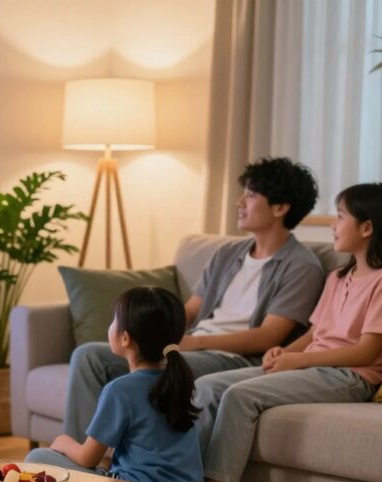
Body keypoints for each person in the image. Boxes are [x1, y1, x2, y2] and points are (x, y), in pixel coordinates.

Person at [168, 183, 382, 482]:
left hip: (350, 376)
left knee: (239, 396)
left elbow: (367, 350)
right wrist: (283, 352)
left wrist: (299, 360)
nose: (332, 225)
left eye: (339, 217)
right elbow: (317, 333)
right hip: (314, 366)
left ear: (367, 228)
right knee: (206, 385)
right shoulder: (338, 278)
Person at [64, 157, 324, 443]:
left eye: (250, 195)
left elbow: (268, 336)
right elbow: (190, 310)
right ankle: (82, 463)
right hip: (191, 346)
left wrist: (195, 342)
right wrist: (152, 331)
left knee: (155, 368)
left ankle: (135, 468)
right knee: (89, 356)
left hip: (234, 360)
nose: (240, 202)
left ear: (280, 207)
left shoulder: (302, 267)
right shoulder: (228, 254)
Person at [26, 287, 205, 482]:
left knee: (36, 457)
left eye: (114, 320)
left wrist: (63, 443)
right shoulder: (180, 381)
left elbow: (88, 458)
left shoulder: (119, 390)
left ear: (125, 338)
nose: (110, 326)